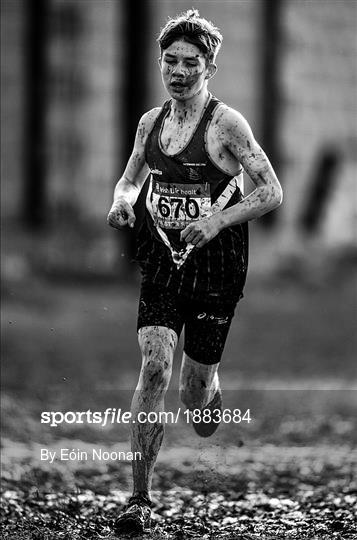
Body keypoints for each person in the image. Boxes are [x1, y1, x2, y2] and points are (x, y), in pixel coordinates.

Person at [107, 8, 283, 533]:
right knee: (154, 366)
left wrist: (216, 222)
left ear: (210, 67)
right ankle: (139, 498)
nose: (177, 72)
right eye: (169, 61)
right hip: (162, 261)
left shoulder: (227, 124)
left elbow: (272, 191)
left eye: (190, 62)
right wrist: (122, 203)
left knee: (194, 401)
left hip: (217, 269)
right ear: (160, 63)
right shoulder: (151, 123)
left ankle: (207, 392)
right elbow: (129, 180)